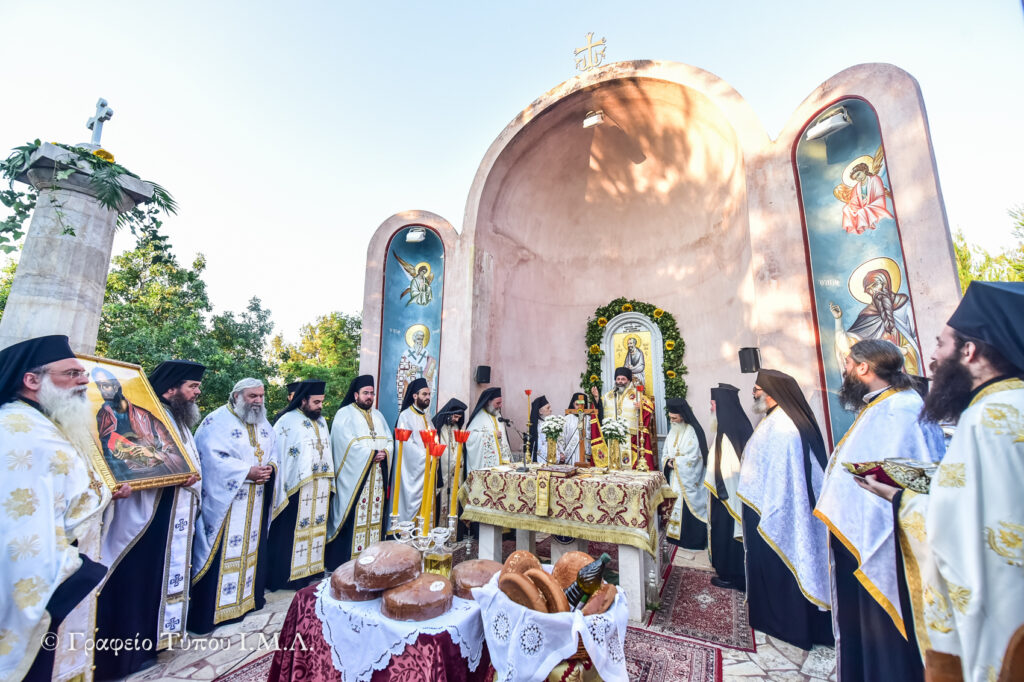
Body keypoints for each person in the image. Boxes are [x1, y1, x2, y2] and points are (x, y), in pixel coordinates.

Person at [858, 281, 1024, 682]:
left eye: (940, 343)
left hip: (1005, 624)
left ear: (970, 351)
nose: (931, 356)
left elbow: (971, 530)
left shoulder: (989, 419)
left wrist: (900, 499)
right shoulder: (1008, 406)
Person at [814, 339, 945, 682]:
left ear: (863, 368)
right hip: (863, 532)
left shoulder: (897, 410)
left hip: (882, 538)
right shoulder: (884, 404)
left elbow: (904, 477)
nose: (844, 371)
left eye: (847, 364)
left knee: (884, 636)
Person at [0, 335, 117, 682]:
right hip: (46, 576)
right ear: (32, 380)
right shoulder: (18, 430)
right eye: (71, 374)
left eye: (83, 373)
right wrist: (72, 569)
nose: (84, 380)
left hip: (67, 563)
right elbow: (19, 521)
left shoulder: (45, 421)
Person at [93, 360, 204, 678]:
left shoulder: (169, 417)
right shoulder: (114, 412)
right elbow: (112, 445)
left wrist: (181, 472)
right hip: (144, 511)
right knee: (134, 577)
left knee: (155, 578)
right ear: (171, 389)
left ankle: (150, 643)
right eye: (192, 387)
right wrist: (160, 464)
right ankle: (121, 656)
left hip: (171, 510)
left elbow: (174, 453)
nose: (197, 393)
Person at [737, 369, 833, 650]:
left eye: (757, 389)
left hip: (778, 510)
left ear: (773, 393)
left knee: (780, 564)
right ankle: (771, 616)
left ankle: (784, 621)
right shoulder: (774, 420)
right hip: (767, 504)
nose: (754, 393)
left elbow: (785, 477)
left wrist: (770, 503)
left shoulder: (785, 427)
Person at [188, 378, 278, 635]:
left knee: (252, 549)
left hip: (255, 502)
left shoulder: (263, 423)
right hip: (227, 503)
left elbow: (274, 452)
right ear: (237, 396)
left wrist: (270, 468)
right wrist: (246, 472)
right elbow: (209, 459)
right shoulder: (216, 422)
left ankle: (247, 600)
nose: (258, 401)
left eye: (261, 396)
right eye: (252, 396)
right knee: (223, 551)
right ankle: (214, 612)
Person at [266, 379, 334, 591]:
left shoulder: (321, 421)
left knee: (316, 528)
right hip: (296, 486)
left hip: (319, 485)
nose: (320, 406)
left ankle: (311, 570)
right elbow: (281, 454)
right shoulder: (287, 421)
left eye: (321, 402)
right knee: (292, 531)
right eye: (316, 402)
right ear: (303, 400)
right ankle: (289, 576)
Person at [324, 375, 393, 568]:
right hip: (355, 479)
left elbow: (389, 439)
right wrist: (371, 454)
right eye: (365, 393)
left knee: (376, 515)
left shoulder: (378, 415)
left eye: (371, 393)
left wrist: (385, 452)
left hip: (377, 477)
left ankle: (373, 559)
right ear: (356, 395)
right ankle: (346, 563)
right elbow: (345, 443)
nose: (369, 396)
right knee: (353, 516)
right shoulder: (344, 414)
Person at [92, 366, 189, 478]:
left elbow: (175, 455)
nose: (102, 390)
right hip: (122, 479)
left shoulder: (144, 416)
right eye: (99, 386)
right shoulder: (104, 414)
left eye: (106, 385)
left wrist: (152, 453)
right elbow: (107, 452)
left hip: (153, 477)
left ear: (116, 386)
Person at [703, 383, 752, 591]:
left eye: (713, 404)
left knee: (728, 533)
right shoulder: (735, 425)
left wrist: (721, 492)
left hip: (727, 496)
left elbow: (730, 469)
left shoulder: (727, 432)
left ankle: (731, 574)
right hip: (724, 492)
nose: (711, 409)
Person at [831, 265, 922, 375]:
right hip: (882, 376)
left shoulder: (905, 307)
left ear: (885, 283)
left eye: (875, 285)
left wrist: (904, 350)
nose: (873, 291)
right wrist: (838, 320)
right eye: (869, 289)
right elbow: (847, 347)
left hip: (907, 373)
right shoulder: (867, 316)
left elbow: (920, 339)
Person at [662, 398, 708, 551]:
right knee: (674, 504)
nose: (672, 421)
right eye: (670, 418)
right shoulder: (673, 430)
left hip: (687, 479)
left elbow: (694, 458)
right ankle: (674, 536)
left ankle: (690, 539)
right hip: (674, 477)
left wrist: (676, 462)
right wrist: (668, 461)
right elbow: (665, 453)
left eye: (674, 418)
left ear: (682, 415)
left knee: (687, 505)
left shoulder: (692, 431)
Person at [590, 367, 655, 470]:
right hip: (611, 436)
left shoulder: (637, 394)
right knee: (612, 463)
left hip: (630, 436)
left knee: (627, 464)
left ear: (629, 380)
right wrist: (597, 399)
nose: (620, 381)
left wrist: (641, 407)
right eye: (618, 379)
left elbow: (650, 406)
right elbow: (599, 410)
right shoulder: (608, 395)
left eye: (623, 379)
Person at [394, 377, 433, 523]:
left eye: (429, 394)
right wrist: (426, 456)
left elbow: (433, 439)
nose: (428, 397)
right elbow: (405, 444)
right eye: (424, 394)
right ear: (415, 396)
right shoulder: (405, 416)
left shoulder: (427, 417)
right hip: (412, 469)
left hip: (427, 468)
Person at [432, 398, 467, 524]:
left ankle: (453, 534)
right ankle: (440, 531)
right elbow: (440, 450)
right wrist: (452, 463)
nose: (457, 420)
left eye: (459, 417)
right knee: (442, 501)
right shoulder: (438, 427)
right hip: (444, 473)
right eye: (455, 416)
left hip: (455, 474)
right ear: (449, 413)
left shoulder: (457, 428)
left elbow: (461, 449)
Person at [465, 387, 512, 471]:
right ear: (488, 402)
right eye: (498, 403)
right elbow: (469, 437)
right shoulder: (479, 417)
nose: (500, 406)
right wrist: (492, 435)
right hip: (487, 468)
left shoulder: (498, 416)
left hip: (502, 466)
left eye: (501, 403)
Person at [560, 392, 594, 465]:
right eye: (577, 404)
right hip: (570, 455)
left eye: (582, 404)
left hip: (585, 454)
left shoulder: (589, 419)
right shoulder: (566, 419)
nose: (579, 407)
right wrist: (561, 452)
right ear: (573, 404)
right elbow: (561, 437)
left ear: (585, 405)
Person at [528, 394, 552, 462]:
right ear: (540, 411)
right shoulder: (539, 427)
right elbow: (542, 446)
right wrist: (558, 456)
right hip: (542, 460)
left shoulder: (547, 423)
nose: (551, 410)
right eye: (548, 408)